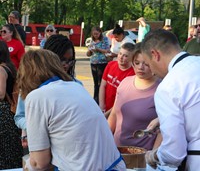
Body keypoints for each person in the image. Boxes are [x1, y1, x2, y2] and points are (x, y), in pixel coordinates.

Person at [17, 49, 126, 171]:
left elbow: (40, 163)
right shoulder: (76, 86)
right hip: (115, 165)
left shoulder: (37, 97)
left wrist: (28, 166)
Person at [141, 29, 200, 170]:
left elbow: (174, 153)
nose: (153, 72)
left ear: (155, 55)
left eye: (148, 65)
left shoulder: (168, 86)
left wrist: (154, 156)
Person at [14, 34, 82, 150]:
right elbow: (20, 116)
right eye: (61, 60)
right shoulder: (31, 85)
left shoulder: (76, 85)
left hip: (69, 147)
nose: (66, 65)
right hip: (40, 145)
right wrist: (34, 127)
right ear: (48, 59)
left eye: (70, 60)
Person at [107, 43, 161, 151]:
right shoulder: (125, 82)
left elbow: (164, 129)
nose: (141, 67)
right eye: (137, 63)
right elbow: (114, 114)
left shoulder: (162, 89)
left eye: (146, 64)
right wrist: (105, 140)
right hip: (116, 151)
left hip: (142, 156)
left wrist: (153, 155)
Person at [0, 40, 23, 169]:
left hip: (3, 113)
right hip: (10, 112)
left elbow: (1, 94)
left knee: (4, 150)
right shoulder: (9, 66)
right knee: (10, 149)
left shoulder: (0, 69)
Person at [99, 43, 135, 113]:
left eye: (125, 56)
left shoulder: (132, 74)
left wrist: (108, 114)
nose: (121, 57)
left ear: (132, 58)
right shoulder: (110, 65)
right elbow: (103, 85)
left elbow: (123, 99)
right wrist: (101, 105)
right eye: (120, 53)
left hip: (118, 111)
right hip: (105, 107)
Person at [86, 26, 110, 104]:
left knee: (101, 83)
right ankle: (95, 99)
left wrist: (97, 49)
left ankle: (101, 100)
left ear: (100, 32)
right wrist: (90, 50)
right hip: (93, 63)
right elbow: (88, 54)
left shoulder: (105, 39)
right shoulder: (92, 40)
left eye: (97, 34)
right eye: (94, 34)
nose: (96, 35)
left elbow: (107, 51)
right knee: (96, 83)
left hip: (102, 63)